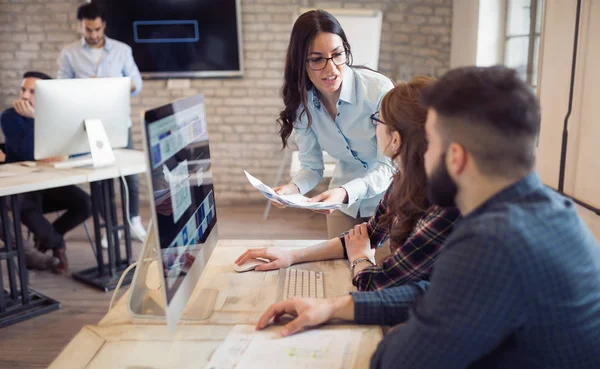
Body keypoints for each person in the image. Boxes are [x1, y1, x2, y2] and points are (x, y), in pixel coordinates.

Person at [255, 66, 600, 369]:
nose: (420, 153)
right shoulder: (551, 213)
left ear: (456, 157)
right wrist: (337, 306)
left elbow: (395, 361)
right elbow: (431, 293)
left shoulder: (491, 241)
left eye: (430, 141)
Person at [237, 78, 460, 291]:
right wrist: (292, 256)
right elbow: (364, 236)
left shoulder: (442, 205)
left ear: (396, 140)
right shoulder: (403, 180)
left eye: (378, 120)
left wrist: (361, 258)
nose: (374, 128)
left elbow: (376, 283)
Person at [274, 9, 395, 238]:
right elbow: (312, 168)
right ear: (300, 62)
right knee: (336, 267)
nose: (331, 69)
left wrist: (344, 192)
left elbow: (389, 166)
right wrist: (292, 189)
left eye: (338, 55)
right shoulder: (303, 104)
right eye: (317, 59)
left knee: (376, 271)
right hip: (344, 201)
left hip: (390, 199)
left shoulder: (378, 90)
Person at [56, 2, 146, 240]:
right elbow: (60, 88)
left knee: (130, 176)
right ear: (82, 27)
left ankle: (132, 221)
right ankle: (111, 229)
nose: (93, 35)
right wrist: (86, 86)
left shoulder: (122, 50)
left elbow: (137, 84)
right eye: (88, 30)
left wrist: (111, 85)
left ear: (103, 25)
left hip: (118, 123)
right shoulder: (69, 53)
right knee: (100, 181)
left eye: (97, 29)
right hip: (88, 128)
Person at [0, 71, 93, 273]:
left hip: (51, 182)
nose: (24, 96)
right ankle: (57, 244)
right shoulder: (9, 117)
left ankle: (48, 236)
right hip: (23, 185)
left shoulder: (60, 116)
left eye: (32, 92)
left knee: (86, 204)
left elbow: (78, 150)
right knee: (27, 207)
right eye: (23, 90)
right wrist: (35, 119)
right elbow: (28, 153)